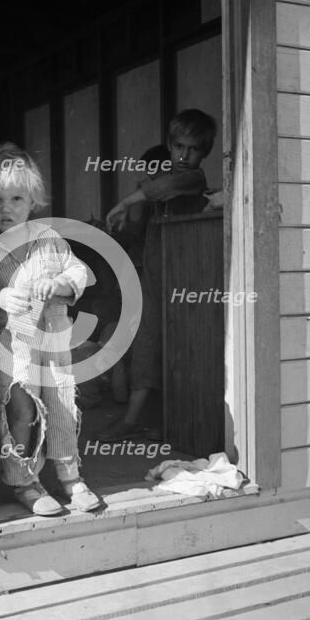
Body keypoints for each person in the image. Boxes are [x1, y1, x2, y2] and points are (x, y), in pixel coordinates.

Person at [0, 142, 100, 516]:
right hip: (14, 345)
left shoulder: (48, 237)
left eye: (16, 198)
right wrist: (0, 296)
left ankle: (71, 477)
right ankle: (25, 482)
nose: (6, 208)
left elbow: (81, 271)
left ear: (33, 200)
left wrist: (62, 284)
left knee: (61, 405)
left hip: (53, 343)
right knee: (21, 411)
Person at [99, 109, 217, 442]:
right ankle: (131, 420)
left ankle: (184, 422)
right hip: (154, 277)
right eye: (178, 146)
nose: (184, 155)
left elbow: (169, 185)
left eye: (193, 149)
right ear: (169, 145)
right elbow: (144, 221)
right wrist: (124, 219)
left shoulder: (193, 179)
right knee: (147, 342)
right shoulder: (158, 190)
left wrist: (127, 200)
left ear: (204, 152)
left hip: (185, 279)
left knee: (184, 346)